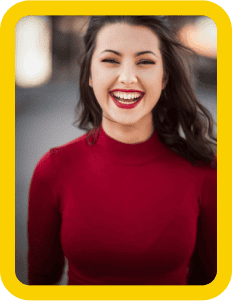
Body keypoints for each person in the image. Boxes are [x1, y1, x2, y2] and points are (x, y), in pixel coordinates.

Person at [28, 16, 217, 285]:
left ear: (164, 78)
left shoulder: (205, 171)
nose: (128, 78)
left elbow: (211, 285)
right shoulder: (53, 169)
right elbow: (39, 283)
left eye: (145, 61)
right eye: (111, 60)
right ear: (90, 75)